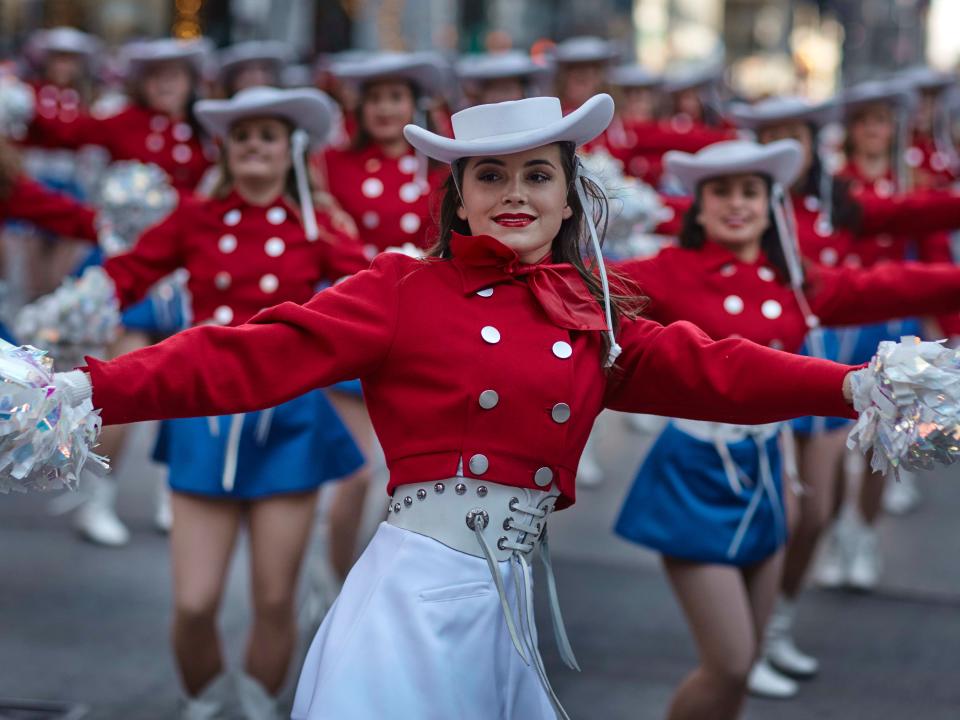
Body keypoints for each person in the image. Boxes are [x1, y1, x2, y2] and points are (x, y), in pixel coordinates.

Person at [53, 94, 863, 720]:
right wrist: (89, 390)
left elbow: (722, 372)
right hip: (410, 599)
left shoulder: (594, 311)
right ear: (460, 201)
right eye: (491, 176)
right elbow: (245, 355)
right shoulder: (401, 289)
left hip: (509, 607)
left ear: (571, 198)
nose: (516, 194)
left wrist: (859, 386)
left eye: (538, 175)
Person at [612, 138, 960, 718]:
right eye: (720, 191)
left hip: (769, 472)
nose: (736, 203)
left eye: (751, 191)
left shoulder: (794, 278)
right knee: (726, 662)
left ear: (772, 204)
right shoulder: (667, 273)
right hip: (695, 474)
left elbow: (888, 285)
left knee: (741, 673)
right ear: (697, 206)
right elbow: (580, 290)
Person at [70, 86, 368, 718]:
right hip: (204, 419)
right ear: (226, 151)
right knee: (195, 603)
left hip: (288, 420)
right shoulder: (195, 219)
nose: (253, 145)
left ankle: (259, 707)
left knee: (272, 599)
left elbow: (375, 291)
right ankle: (202, 705)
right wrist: (69, 312)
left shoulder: (315, 227)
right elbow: (127, 273)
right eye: (241, 135)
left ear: (289, 152)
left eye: (267, 135)